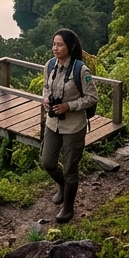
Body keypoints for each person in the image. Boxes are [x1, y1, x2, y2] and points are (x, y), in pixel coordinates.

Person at [41, 29, 99, 223]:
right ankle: (63, 185)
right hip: (52, 123)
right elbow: (46, 88)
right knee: (48, 162)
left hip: (74, 126)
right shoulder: (50, 65)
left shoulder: (81, 70)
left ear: (70, 47)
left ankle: (68, 206)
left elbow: (92, 97)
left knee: (70, 168)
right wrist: (46, 100)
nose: (55, 48)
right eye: (54, 44)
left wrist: (69, 106)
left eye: (60, 45)